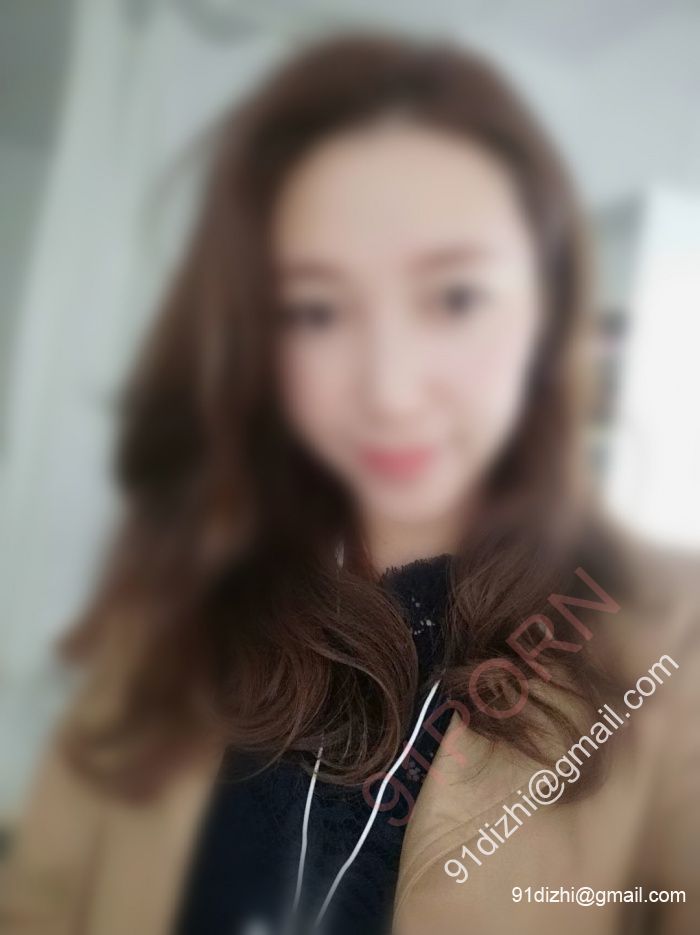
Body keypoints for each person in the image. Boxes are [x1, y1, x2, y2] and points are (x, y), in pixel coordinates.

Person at [1, 33, 698, 935]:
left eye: (453, 296)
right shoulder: (178, 600)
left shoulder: (670, 634)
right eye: (316, 308)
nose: (389, 384)